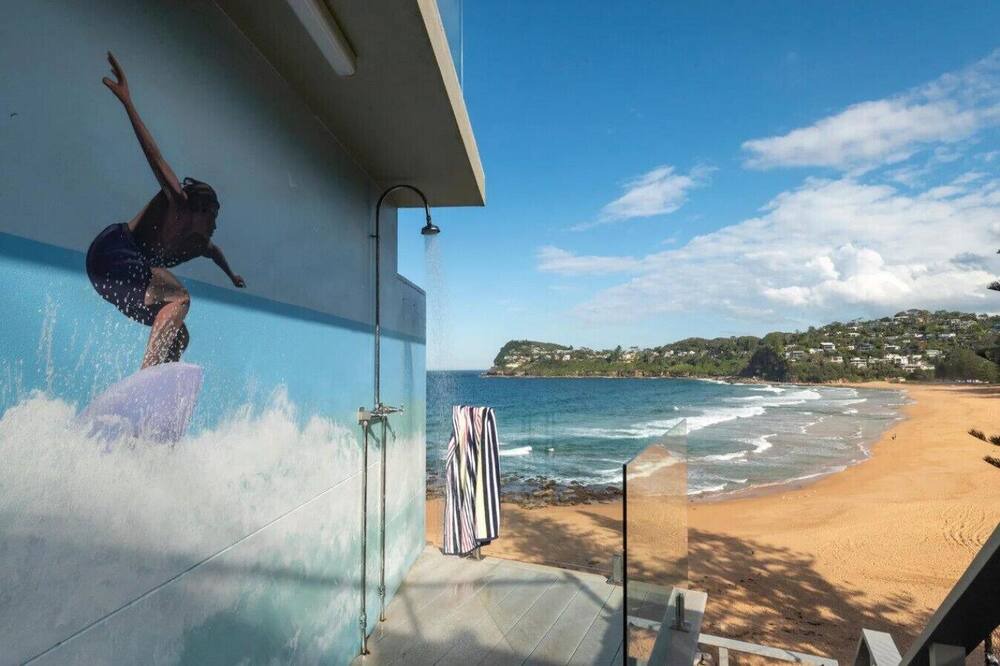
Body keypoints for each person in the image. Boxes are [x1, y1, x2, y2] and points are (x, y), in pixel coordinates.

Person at [86, 53, 244, 369]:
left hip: (116, 276)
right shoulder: (178, 201)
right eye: (213, 217)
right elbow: (155, 156)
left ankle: (159, 385)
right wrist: (128, 103)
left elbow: (216, 253)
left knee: (179, 336)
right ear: (201, 209)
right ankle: (146, 376)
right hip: (112, 252)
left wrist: (232, 276)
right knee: (179, 298)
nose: (214, 225)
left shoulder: (197, 243)